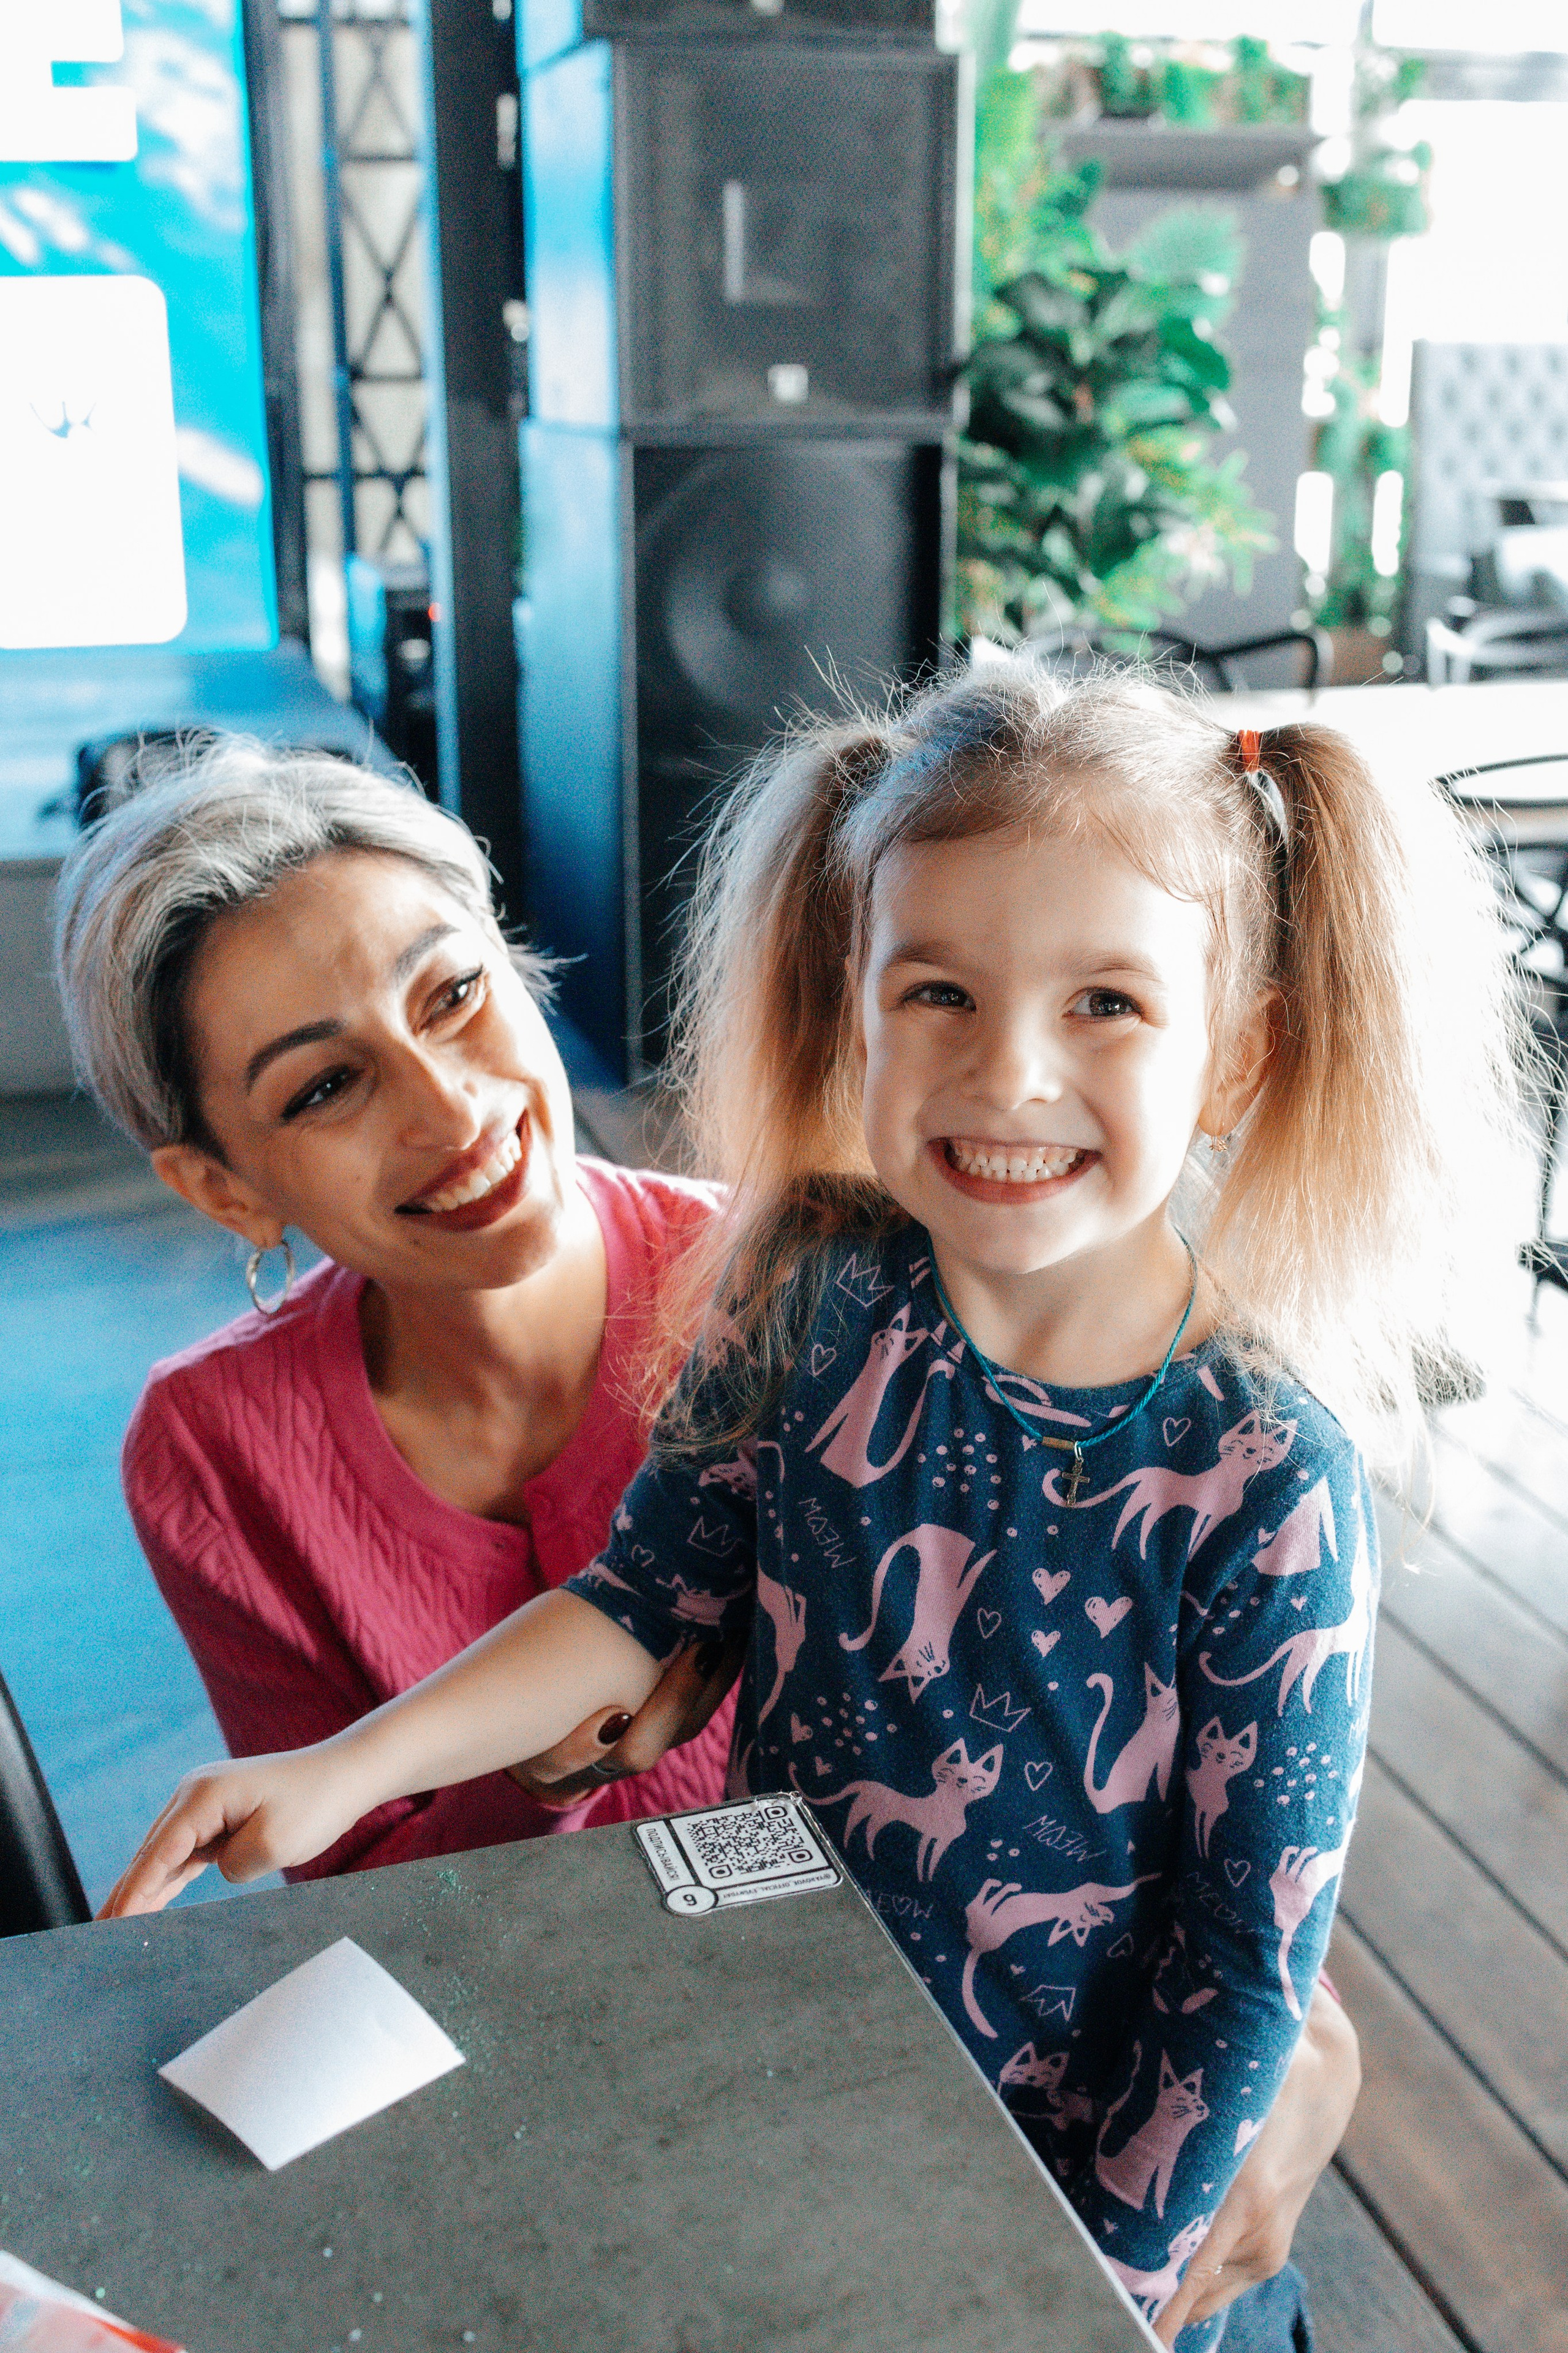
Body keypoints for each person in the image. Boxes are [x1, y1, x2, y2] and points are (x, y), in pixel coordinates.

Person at [106, 667, 1516, 2343]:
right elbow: (643, 1601)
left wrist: (1104, 2291)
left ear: (1239, 1052)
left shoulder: (1266, 1468)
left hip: (1093, 2229)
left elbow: (1243, 1950)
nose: (1005, 1075)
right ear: (851, 999)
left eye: (1107, 1005)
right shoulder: (805, 1290)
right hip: (802, 2094)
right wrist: (344, 1768)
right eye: (937, 991)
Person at [52, 743, 741, 1877]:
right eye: (326, 1086)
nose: (447, 1108)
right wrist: (532, 1775)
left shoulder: (800, 1286)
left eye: (455, 994)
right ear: (225, 1190)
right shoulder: (213, 1452)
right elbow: (362, 1897)